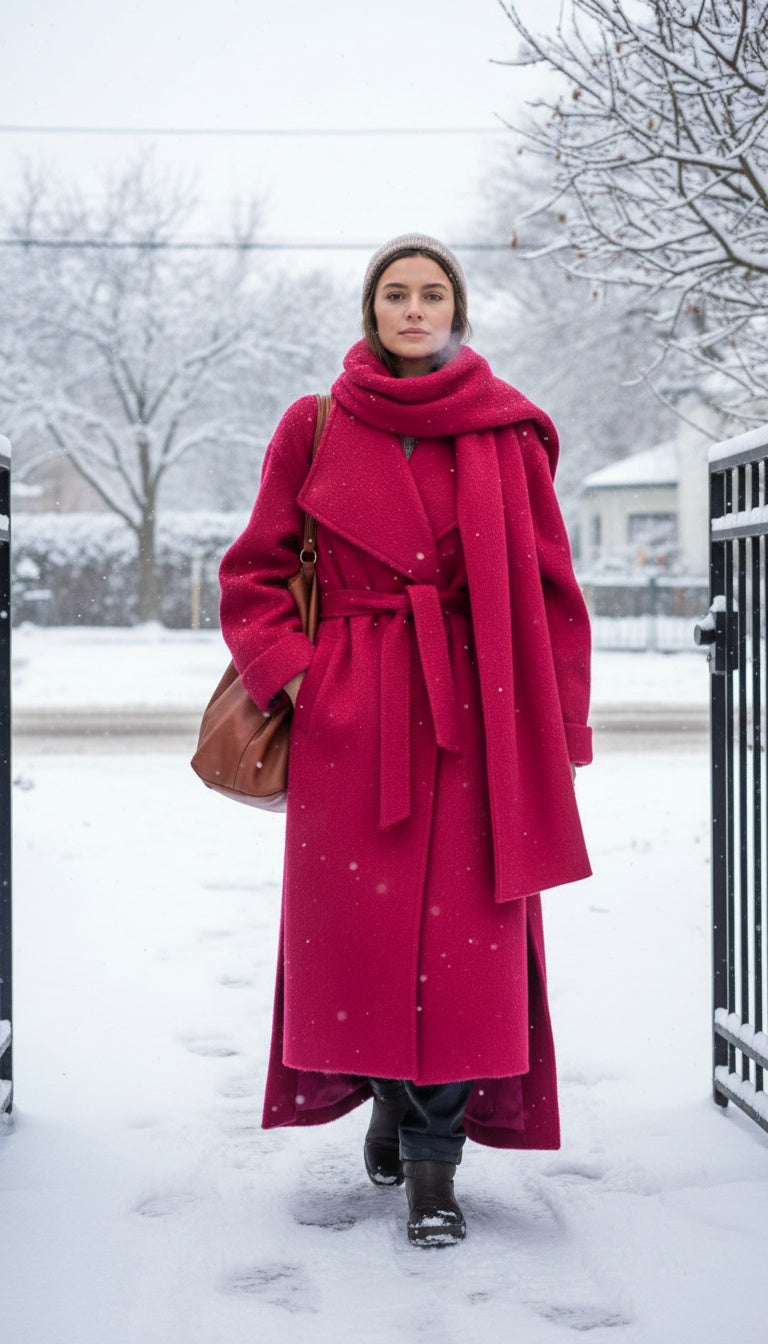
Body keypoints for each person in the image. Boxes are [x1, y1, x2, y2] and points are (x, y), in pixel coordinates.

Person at [218, 234, 592, 1247]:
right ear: (372, 310)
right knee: (364, 943)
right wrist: (302, 675)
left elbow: (553, 589)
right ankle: (390, 1093)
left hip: (480, 712)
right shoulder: (316, 422)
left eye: (432, 294)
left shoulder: (507, 432)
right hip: (354, 710)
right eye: (396, 294)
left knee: (470, 950)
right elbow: (253, 570)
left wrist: (556, 719)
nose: (414, 309)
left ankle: (436, 1169)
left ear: (457, 309)